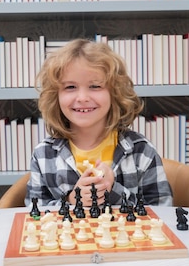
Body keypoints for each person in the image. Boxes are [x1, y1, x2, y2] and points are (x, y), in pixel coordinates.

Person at [25, 38, 173, 208]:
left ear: (115, 94)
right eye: (70, 87)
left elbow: (163, 210)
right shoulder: (43, 155)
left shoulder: (141, 151)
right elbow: (33, 213)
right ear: (55, 97)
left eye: (95, 86)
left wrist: (112, 191)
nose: (82, 98)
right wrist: (71, 201)